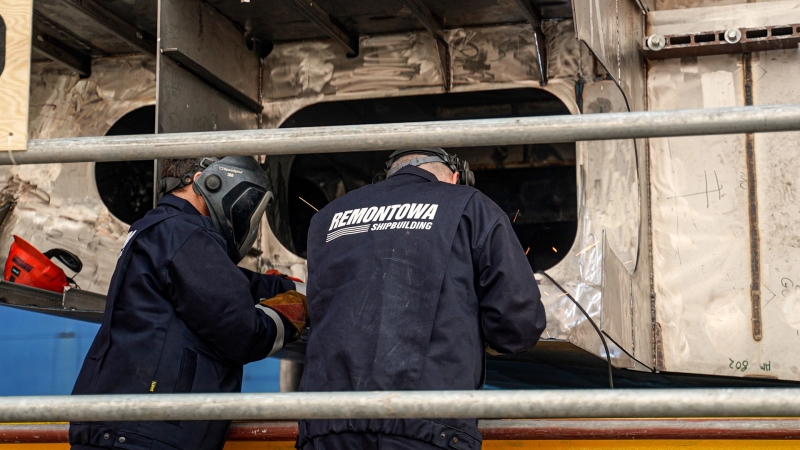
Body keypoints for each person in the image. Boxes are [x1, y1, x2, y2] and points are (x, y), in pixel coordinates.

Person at [298, 148, 546, 450]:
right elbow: (519, 323)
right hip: (427, 427)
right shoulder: (470, 205)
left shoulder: (327, 217)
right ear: (455, 178)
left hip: (328, 426)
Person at [70, 156, 308, 450]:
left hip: (128, 430)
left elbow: (228, 284)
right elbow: (243, 331)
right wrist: (291, 311)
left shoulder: (166, 230)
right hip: (146, 434)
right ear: (209, 180)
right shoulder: (186, 232)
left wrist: (291, 287)